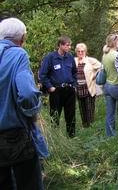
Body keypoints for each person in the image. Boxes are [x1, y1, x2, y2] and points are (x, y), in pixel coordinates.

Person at [0, 17, 48, 190]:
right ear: (22, 38)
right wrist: (32, 112)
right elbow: (27, 94)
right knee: (29, 184)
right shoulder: (18, 54)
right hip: (16, 135)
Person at [39, 35, 77, 137]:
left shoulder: (70, 57)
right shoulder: (50, 57)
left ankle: (71, 136)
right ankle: (56, 137)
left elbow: (75, 73)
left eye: (70, 45)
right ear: (60, 45)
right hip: (56, 91)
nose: (69, 47)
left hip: (69, 90)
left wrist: (74, 85)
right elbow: (42, 75)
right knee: (55, 115)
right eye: (67, 45)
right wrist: (50, 87)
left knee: (71, 115)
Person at [74, 43, 102, 127]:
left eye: (82, 51)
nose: (80, 53)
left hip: (88, 87)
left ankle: (91, 125)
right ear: (76, 52)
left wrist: (95, 75)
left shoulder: (90, 60)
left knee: (89, 107)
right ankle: (84, 125)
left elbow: (102, 67)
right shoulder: (74, 60)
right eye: (78, 51)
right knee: (82, 107)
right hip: (78, 87)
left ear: (85, 51)